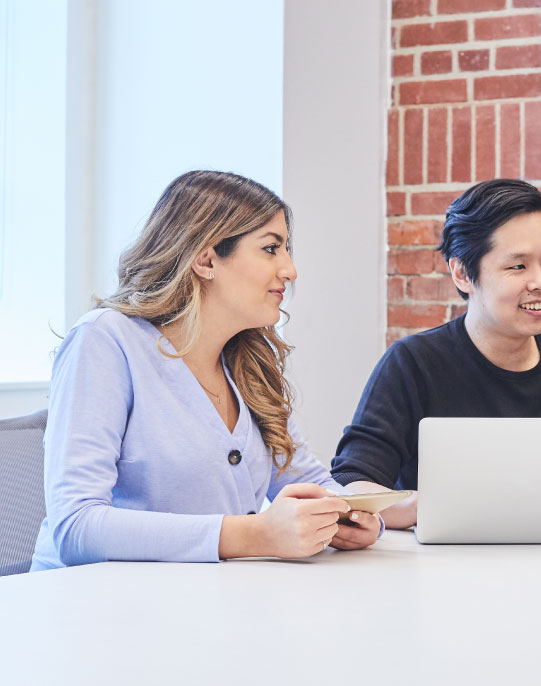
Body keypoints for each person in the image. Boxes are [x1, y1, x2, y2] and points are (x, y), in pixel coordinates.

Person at [31, 170, 381, 570]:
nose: (290, 269)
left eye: (287, 250)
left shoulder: (247, 362)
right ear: (206, 258)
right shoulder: (104, 341)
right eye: (271, 249)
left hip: (207, 606)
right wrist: (255, 535)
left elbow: (312, 483)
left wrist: (352, 517)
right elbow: (77, 526)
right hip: (93, 610)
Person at [331, 178, 541, 528]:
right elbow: (354, 482)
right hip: (436, 572)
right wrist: (419, 508)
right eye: (518, 266)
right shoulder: (413, 363)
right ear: (462, 273)